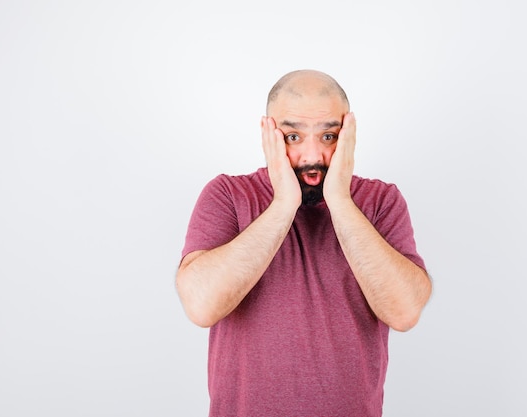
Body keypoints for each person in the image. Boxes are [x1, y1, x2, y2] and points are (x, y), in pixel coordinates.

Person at [176, 69, 432, 416]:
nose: (312, 156)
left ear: (348, 136)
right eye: (293, 137)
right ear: (269, 134)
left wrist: (340, 199)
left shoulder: (380, 201)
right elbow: (201, 306)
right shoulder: (228, 195)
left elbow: (403, 312)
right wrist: (283, 203)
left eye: (328, 136)